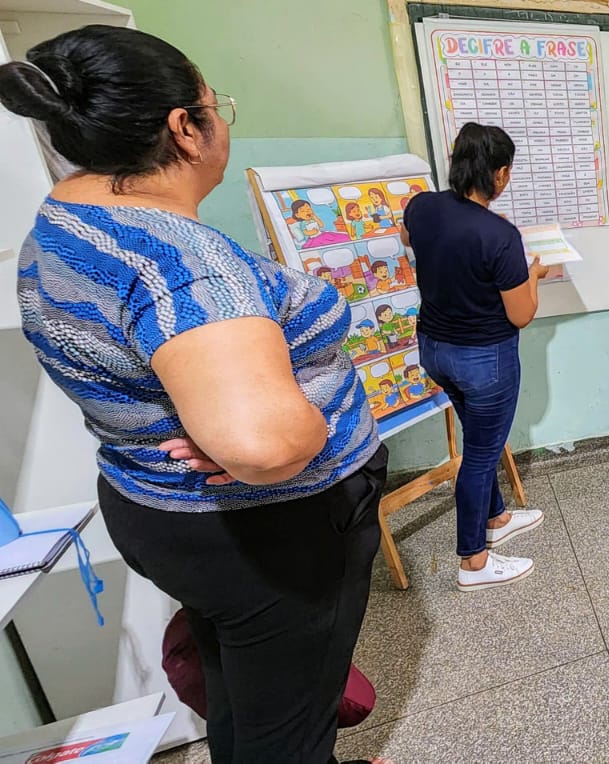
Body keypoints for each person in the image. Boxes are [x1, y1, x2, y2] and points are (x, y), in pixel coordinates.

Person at [0, 26, 390, 764]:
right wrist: (307, 423)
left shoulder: (67, 220)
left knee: (241, 690)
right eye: (218, 106)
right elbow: (265, 446)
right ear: (185, 127)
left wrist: (215, 421)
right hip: (268, 526)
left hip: (156, 505)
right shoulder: (185, 264)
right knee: (291, 727)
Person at [401, 122, 550, 591]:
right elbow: (521, 314)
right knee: (481, 457)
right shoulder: (499, 234)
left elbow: (408, 240)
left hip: (435, 350)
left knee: (478, 440)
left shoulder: (422, 207)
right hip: (485, 360)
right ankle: (474, 561)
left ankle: (496, 517)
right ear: (500, 174)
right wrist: (534, 276)